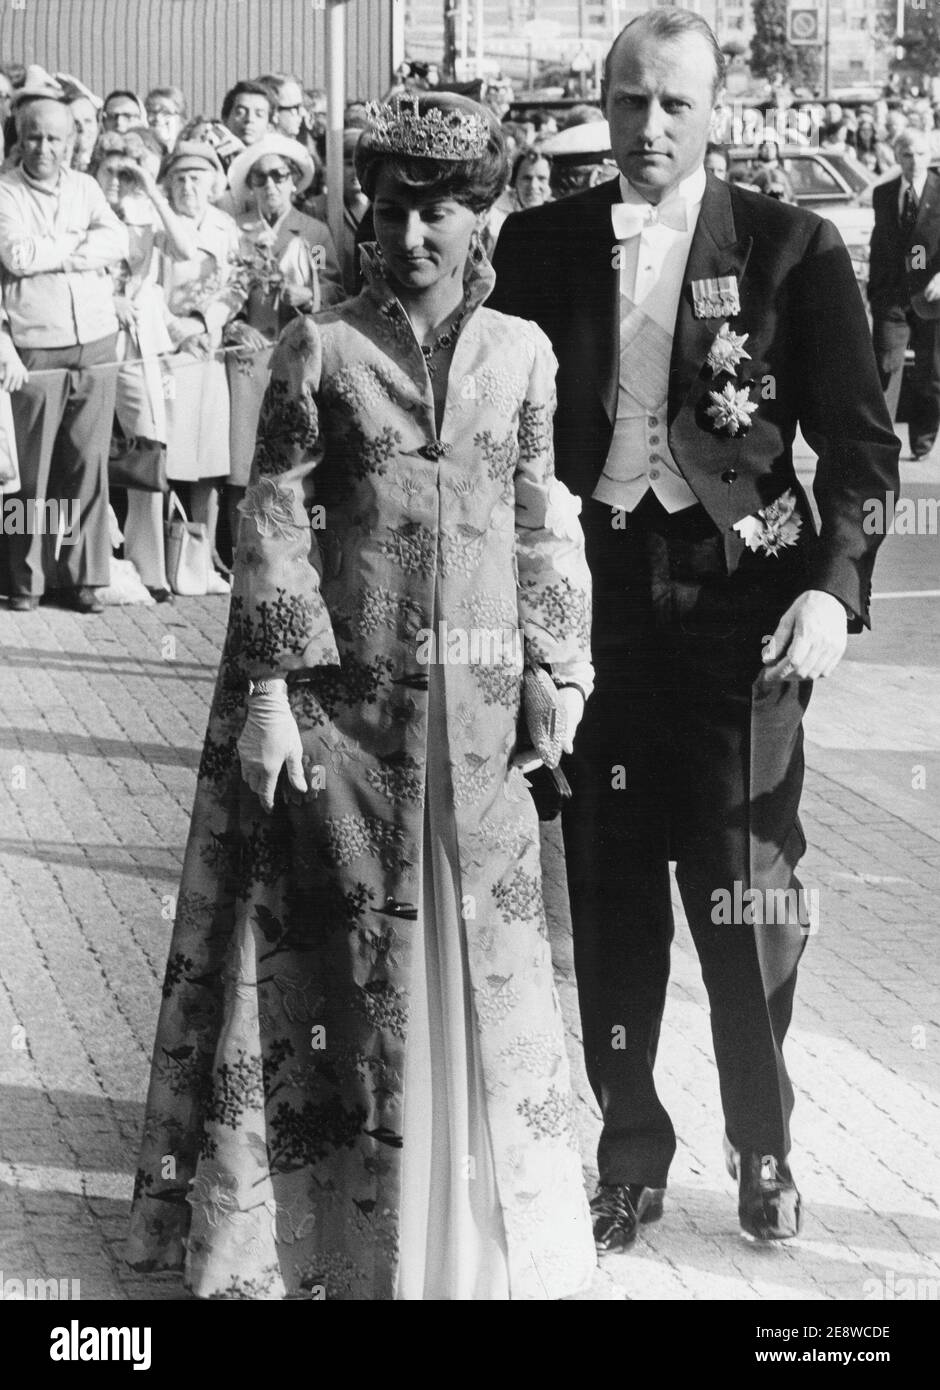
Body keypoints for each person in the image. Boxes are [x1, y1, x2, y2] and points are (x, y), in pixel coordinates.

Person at [127, 91, 597, 1302]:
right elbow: (275, 518)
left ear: (482, 214)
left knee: (475, 953)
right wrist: (272, 694)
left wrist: (556, 666)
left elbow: (540, 521)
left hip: (478, 724)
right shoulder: (320, 347)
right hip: (347, 723)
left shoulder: (523, 354)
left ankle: (465, 1242)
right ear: (366, 216)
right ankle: (338, 1238)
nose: (412, 236)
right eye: (391, 211)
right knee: (344, 957)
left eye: (439, 211)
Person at [491, 9, 899, 1251]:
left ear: (716, 112)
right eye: (628, 100)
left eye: (674, 102)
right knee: (610, 894)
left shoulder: (791, 246)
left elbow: (861, 446)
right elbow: (497, 442)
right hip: (594, 605)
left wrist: (832, 589)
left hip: (741, 611)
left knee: (745, 892)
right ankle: (627, 1148)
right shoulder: (540, 244)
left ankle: (763, 1142)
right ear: (602, 103)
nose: (648, 126)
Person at [0, 96, 128, 612]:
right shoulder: (5, 193)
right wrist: (78, 245)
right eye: (34, 136)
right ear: (19, 139)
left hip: (96, 342)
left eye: (54, 138)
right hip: (34, 346)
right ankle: (24, 580)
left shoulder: (87, 188)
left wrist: (52, 250)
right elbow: (16, 255)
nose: (44, 147)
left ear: (71, 142)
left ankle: (84, 577)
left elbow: (117, 240)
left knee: (87, 468)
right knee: (30, 475)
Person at [222, 133, 344, 553]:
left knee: (295, 454)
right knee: (243, 458)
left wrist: (309, 296)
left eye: (279, 175)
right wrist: (233, 326)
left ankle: (296, 543)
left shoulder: (313, 233)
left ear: (294, 181)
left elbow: (334, 287)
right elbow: (220, 289)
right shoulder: (236, 231)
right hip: (248, 356)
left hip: (295, 356)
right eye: (260, 178)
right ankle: (242, 547)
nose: (270, 185)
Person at [89, 130, 197, 600]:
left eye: (125, 171)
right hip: (91, 340)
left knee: (147, 451)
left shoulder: (145, 212)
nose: (117, 179)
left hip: (137, 346)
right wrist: (107, 299)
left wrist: (150, 190)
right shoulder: (82, 205)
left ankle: (149, 566)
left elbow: (186, 250)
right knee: (85, 452)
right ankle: (89, 561)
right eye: (109, 169)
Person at [154, 140, 241, 586]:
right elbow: (148, 288)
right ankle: (164, 558)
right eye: (180, 179)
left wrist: (208, 322)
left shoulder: (226, 227)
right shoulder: (157, 226)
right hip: (170, 353)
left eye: (196, 178)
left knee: (209, 458)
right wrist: (177, 329)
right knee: (168, 456)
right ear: (168, 185)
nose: (188, 186)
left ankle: (202, 561)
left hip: (209, 350)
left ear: (212, 184)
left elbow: (237, 285)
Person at [868, 130, 940, 462]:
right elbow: (879, 243)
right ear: (897, 156)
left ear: (931, 155)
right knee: (884, 365)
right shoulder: (883, 194)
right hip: (892, 296)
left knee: (930, 373)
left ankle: (922, 441)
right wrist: (874, 290)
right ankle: (881, 443)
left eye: (921, 154)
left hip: (931, 296)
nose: (914, 161)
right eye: (908, 154)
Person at [144, 86, 186, 154]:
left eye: (166, 112)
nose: (158, 118)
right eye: (152, 112)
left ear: (181, 120)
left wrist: (171, 144)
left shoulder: (191, 153)